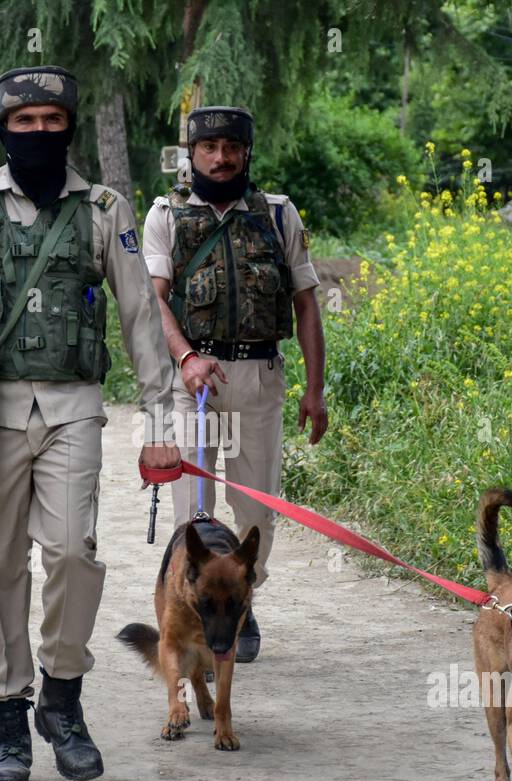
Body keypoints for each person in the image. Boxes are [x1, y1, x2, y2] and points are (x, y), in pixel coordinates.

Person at [0, 65, 179, 781]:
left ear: (70, 126)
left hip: (73, 407)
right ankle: (7, 721)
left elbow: (139, 320)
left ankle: (62, 695)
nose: (38, 133)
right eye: (23, 123)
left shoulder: (103, 209)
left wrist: (161, 418)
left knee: (72, 553)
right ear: (3, 130)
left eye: (51, 121)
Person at [142, 106, 328, 663]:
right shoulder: (165, 215)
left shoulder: (276, 214)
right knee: (191, 518)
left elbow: (305, 304)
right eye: (208, 148)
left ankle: (241, 601)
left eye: (231, 147)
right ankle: (190, 611)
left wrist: (314, 390)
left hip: (257, 380)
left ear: (247, 152)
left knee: (255, 514)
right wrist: (186, 356)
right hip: (192, 382)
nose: (220, 158)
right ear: (191, 154)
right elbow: (153, 300)